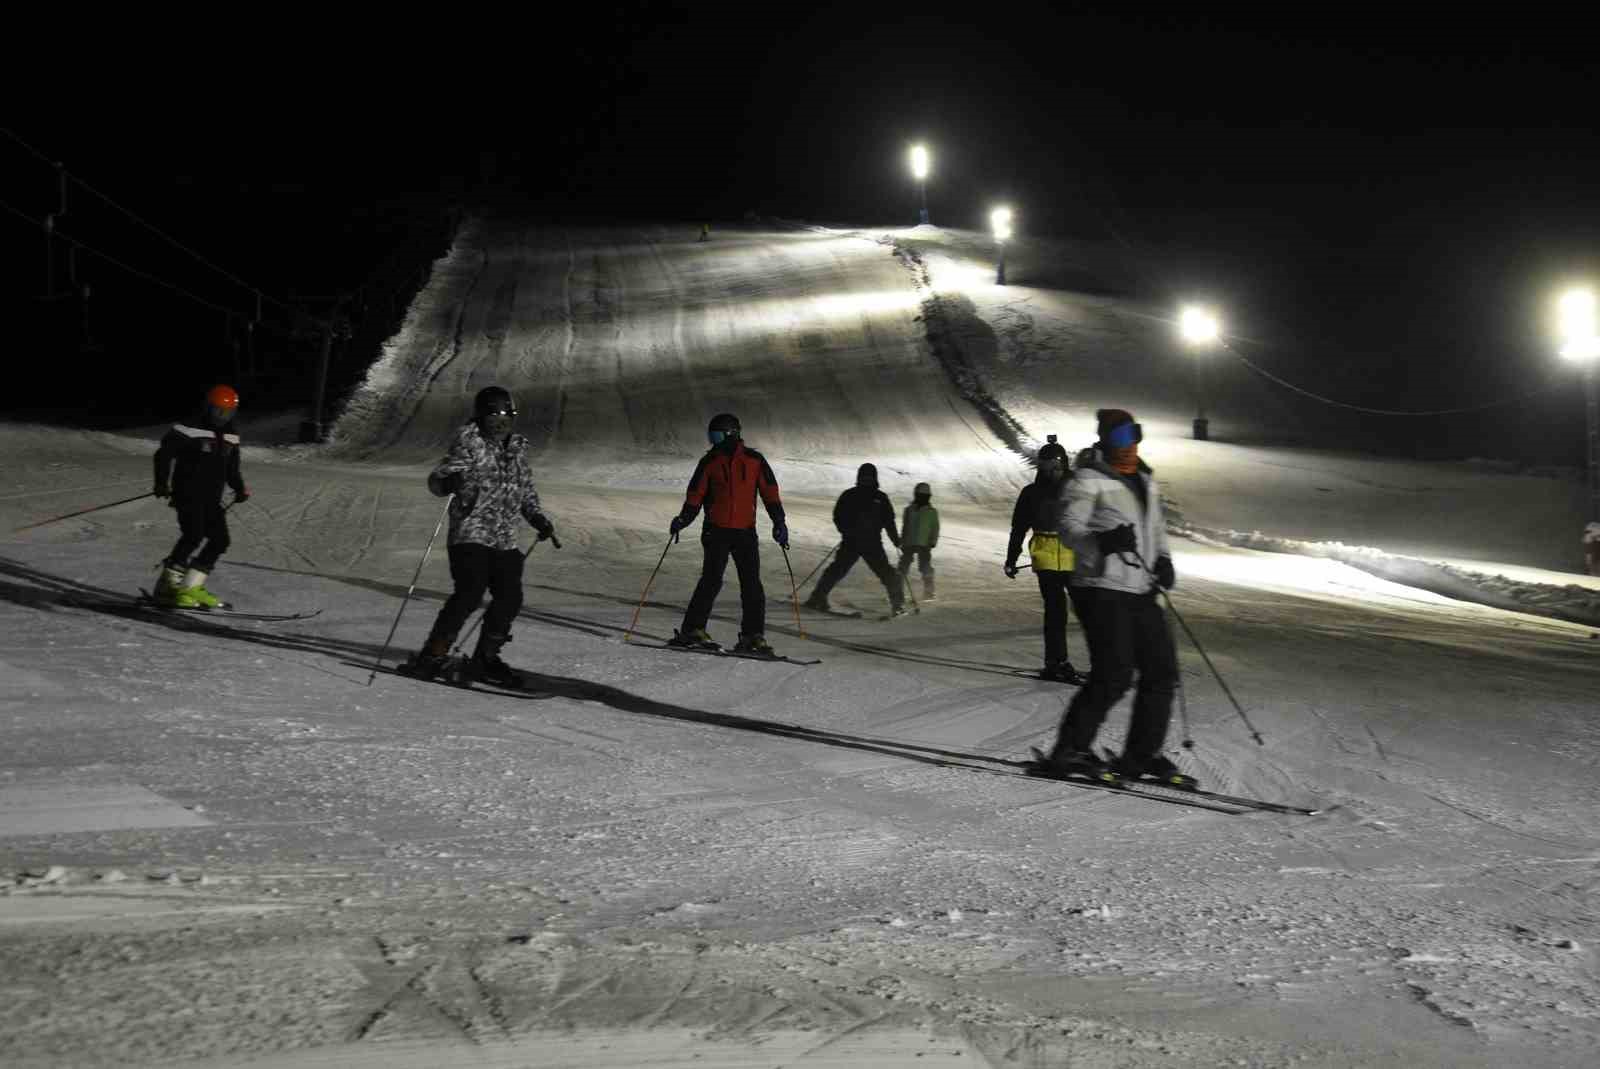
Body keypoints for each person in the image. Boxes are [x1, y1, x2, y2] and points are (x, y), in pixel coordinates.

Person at [1038, 409, 1190, 786]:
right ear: (1107, 441)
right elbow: (1067, 527)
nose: (1130, 446)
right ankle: (1070, 749)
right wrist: (1101, 541)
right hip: (1100, 587)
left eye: (1134, 436)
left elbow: (1156, 529)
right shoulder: (1087, 479)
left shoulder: (1144, 479)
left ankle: (1140, 755)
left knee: (1162, 672)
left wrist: (1165, 560)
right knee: (1114, 674)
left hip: (1141, 588)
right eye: (1122, 438)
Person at [401, 386, 556, 684]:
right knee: (470, 593)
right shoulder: (469, 443)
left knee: (510, 598)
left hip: (505, 537)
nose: (501, 421)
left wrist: (536, 516)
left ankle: (486, 659)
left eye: (507, 414)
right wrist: (449, 482)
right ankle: (432, 655)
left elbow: (526, 492)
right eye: (494, 414)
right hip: (470, 532)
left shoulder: (518, 450)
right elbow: (439, 478)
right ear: (481, 415)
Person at [668, 413, 788, 654]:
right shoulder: (710, 461)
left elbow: (770, 492)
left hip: (744, 531)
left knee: (752, 584)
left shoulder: (755, 461)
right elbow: (696, 494)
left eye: (716, 435)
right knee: (711, 581)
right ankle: (692, 629)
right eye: (711, 436)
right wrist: (684, 519)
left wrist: (779, 522)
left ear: (730, 433)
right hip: (716, 531)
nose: (713, 441)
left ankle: (753, 636)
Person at [152, 384, 249, 608]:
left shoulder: (231, 435)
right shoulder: (188, 427)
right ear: (209, 407)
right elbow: (163, 455)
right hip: (187, 493)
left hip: (212, 497)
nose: (223, 417)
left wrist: (240, 488)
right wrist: (161, 483)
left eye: (229, 413)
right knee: (193, 535)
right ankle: (169, 587)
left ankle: (190, 587)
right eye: (219, 411)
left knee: (220, 540)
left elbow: (232, 468)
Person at [1004, 435, 1084, 683]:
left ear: (1063, 465)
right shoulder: (1032, 493)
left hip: (1076, 557)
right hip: (1046, 556)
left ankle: (1106, 662)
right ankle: (1056, 662)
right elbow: (1018, 527)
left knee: (1089, 609)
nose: (1051, 473)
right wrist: (1011, 557)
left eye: (1055, 468)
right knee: (1055, 610)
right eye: (1046, 468)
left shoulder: (1078, 490)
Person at [805, 463, 907, 616]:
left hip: (872, 543)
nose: (866, 480)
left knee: (886, 572)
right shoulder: (850, 495)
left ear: (874, 478)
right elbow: (838, 516)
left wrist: (896, 540)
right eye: (864, 477)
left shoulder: (880, 498)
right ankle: (817, 597)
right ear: (859, 478)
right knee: (837, 570)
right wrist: (846, 531)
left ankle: (897, 604)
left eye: (869, 478)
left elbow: (888, 521)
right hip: (852, 541)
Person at [898, 482, 940, 600]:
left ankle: (929, 592)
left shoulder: (932, 512)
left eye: (925, 496)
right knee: (903, 566)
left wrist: (933, 541)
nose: (922, 498)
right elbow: (905, 526)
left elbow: (935, 527)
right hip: (909, 542)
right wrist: (902, 540)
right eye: (920, 496)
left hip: (924, 543)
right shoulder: (909, 510)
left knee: (925, 566)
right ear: (916, 495)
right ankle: (897, 591)